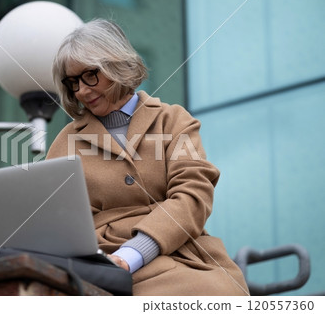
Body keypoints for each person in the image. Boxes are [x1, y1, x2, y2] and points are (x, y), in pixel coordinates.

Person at [46, 18, 249, 296]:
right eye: (72, 83)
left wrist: (132, 254)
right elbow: (56, 222)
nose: (81, 90)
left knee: (216, 293)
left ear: (115, 64)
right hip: (97, 266)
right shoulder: (65, 142)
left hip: (181, 256)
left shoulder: (173, 120)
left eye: (90, 75)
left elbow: (193, 195)